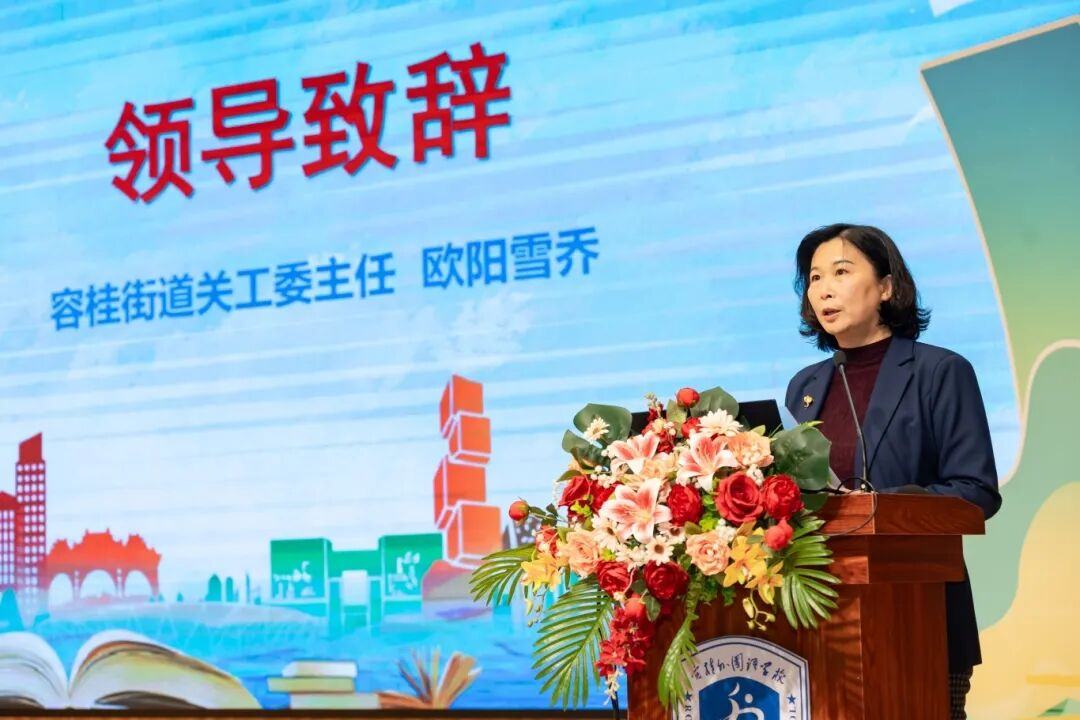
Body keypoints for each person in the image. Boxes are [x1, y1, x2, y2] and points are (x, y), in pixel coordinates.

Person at [784, 223, 1001, 720]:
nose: (824, 289)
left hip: (918, 618)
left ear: (885, 287)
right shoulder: (806, 387)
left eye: (841, 272)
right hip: (820, 625)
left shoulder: (939, 372)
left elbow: (975, 491)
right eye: (815, 278)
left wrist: (882, 508)